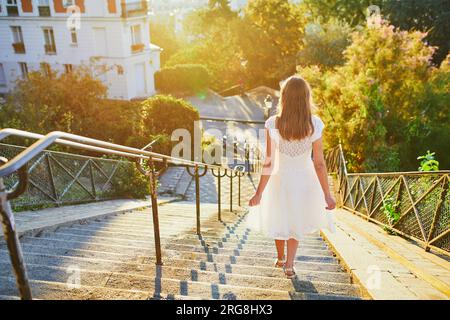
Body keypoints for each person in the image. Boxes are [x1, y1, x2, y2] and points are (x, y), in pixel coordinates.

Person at [248, 76, 336, 279]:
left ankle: (280, 257)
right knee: (295, 220)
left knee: (279, 217)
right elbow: (319, 163)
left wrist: (259, 193)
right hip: (304, 181)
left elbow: (268, 162)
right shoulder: (314, 124)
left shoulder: (273, 123)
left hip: (280, 179)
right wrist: (327, 194)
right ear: (306, 97)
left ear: (284, 97)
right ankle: (289, 265)